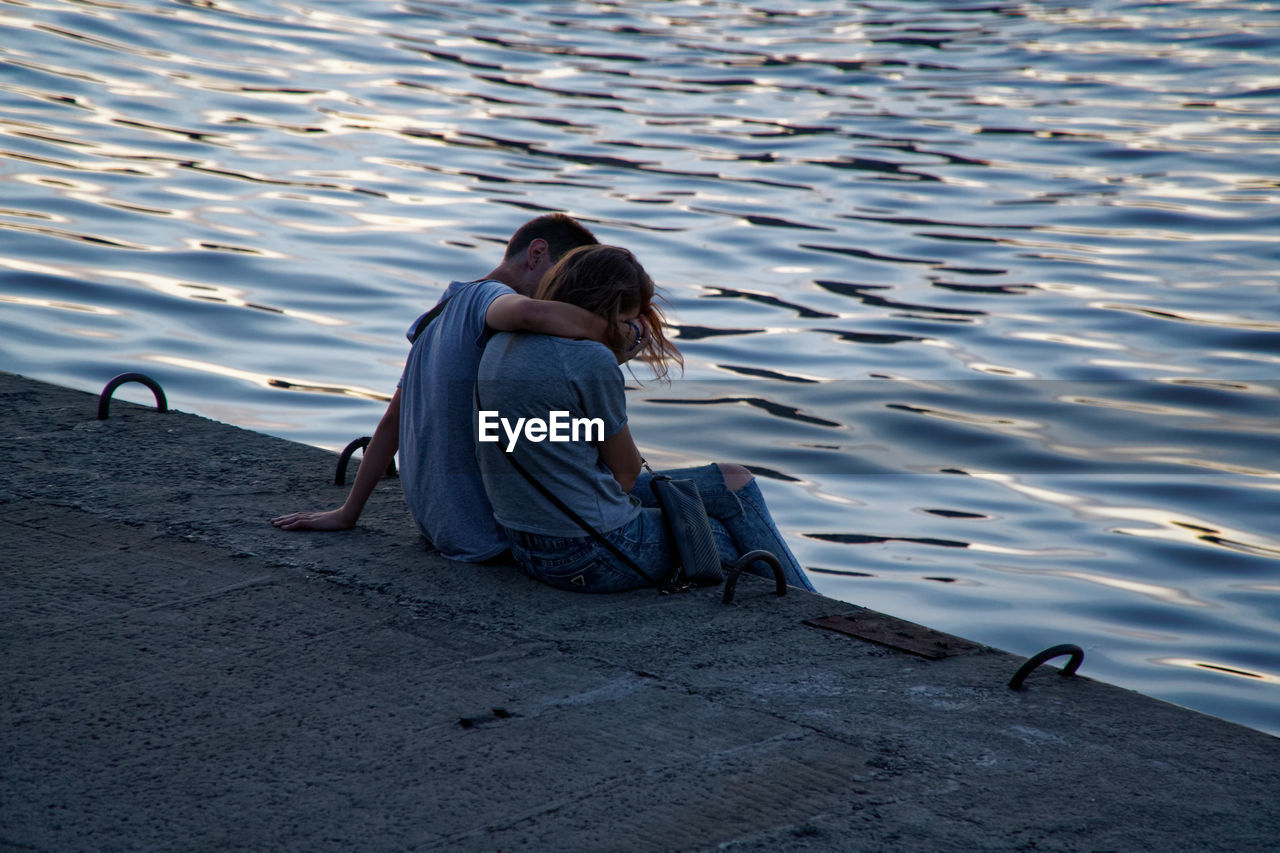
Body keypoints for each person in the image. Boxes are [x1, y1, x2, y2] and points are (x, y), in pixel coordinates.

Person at [272, 213, 644, 561]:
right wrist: (621, 333)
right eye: (559, 275)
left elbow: (391, 423)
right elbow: (532, 313)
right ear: (536, 253)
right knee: (677, 495)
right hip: (493, 533)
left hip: (442, 528)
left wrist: (348, 512)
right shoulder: (485, 298)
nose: (561, 292)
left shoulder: (438, 313)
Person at [475, 244, 817, 593]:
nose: (637, 333)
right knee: (719, 536)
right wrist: (610, 360)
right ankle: (811, 608)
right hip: (588, 553)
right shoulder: (590, 359)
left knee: (734, 480)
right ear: (606, 314)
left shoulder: (501, 343)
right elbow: (624, 475)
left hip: (527, 544)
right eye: (630, 322)